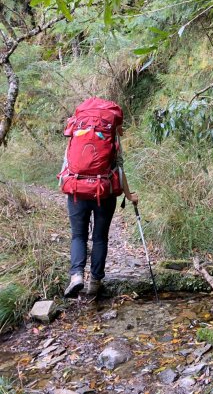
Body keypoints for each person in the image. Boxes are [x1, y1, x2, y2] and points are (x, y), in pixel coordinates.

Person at [60, 101, 139, 297]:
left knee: (78, 236)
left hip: (77, 190)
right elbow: (119, 168)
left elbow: (67, 164)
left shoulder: (76, 132)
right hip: (104, 192)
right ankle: (95, 282)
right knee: (100, 237)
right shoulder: (111, 137)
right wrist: (129, 195)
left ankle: (77, 276)